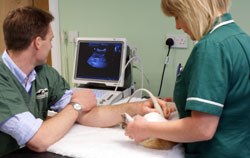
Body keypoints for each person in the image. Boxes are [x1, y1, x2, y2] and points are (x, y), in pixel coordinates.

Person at [0, 6, 172, 156]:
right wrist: (75, 106)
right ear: (38, 43)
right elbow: (39, 140)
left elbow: (88, 115)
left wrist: (137, 107)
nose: (52, 45)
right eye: (50, 39)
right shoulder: (2, 80)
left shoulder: (43, 73)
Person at [125, 0, 250, 157]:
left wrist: (145, 128)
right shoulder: (241, 38)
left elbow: (202, 128)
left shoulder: (211, 47)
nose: (177, 26)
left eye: (177, 16)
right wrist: (185, 103)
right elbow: (232, 102)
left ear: (192, 9)